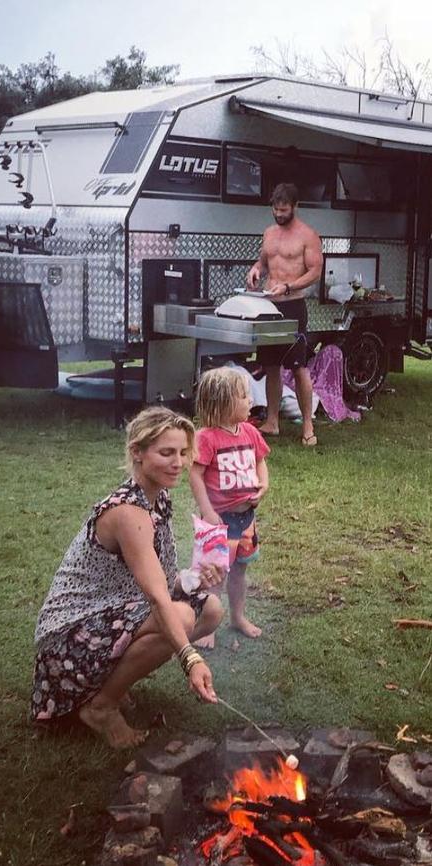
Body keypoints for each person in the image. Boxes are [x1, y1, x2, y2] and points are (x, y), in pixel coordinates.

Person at [31, 406, 226, 749]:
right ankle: (100, 706)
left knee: (210, 607)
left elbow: (159, 580)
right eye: (166, 453)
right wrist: (190, 658)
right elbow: (156, 598)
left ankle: (110, 683)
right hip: (68, 637)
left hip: (113, 611)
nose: (178, 462)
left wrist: (194, 579)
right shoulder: (128, 512)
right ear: (137, 452)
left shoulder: (157, 499)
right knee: (178, 618)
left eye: (183, 452)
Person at [189, 367, 270, 640]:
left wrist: (264, 485)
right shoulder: (207, 438)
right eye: (244, 396)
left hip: (246, 519)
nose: (251, 401)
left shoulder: (249, 432)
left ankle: (237, 617)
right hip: (218, 522)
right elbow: (195, 475)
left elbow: (260, 461)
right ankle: (207, 623)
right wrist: (209, 511)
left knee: (239, 572)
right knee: (214, 575)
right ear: (223, 402)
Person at [246, 182, 323, 446]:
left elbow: (315, 272)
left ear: (295, 207)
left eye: (284, 210)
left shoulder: (308, 235)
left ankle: (308, 427)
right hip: (270, 305)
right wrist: (256, 269)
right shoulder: (269, 233)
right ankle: (272, 422)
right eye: (276, 210)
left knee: (298, 366)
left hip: (293, 306)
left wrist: (289, 285)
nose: (279, 214)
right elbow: (265, 262)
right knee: (270, 365)